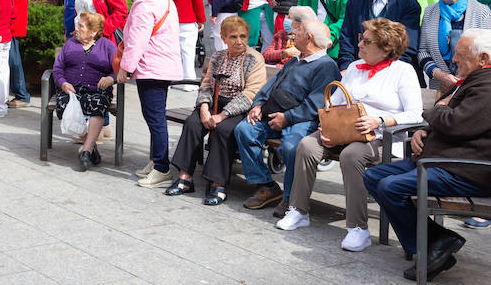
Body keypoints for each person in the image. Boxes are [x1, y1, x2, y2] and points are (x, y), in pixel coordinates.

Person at [364, 29, 491, 281]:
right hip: (447, 160)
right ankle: (438, 242)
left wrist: (435, 110)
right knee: (374, 176)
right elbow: (459, 122)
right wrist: (424, 131)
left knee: (390, 187)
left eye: (460, 55)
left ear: (483, 58)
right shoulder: (483, 79)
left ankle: (430, 247)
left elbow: (452, 121)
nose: (453, 59)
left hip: (465, 172)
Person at [278, 18, 424, 249]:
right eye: (360, 39)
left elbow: (416, 114)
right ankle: (298, 210)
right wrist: (325, 125)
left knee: (351, 156)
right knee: (307, 145)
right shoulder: (356, 67)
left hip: (380, 137)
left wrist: (380, 120)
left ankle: (358, 228)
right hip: (343, 131)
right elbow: (335, 101)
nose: (360, 44)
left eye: (367, 41)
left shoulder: (403, 71)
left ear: (386, 48)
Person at [234, 17, 337, 212]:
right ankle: (266, 185)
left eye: (297, 32)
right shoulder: (296, 60)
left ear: (308, 38)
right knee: (244, 130)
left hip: (302, 121)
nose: (292, 34)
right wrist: (258, 104)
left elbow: (315, 105)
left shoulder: (326, 66)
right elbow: (271, 86)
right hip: (274, 113)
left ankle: (290, 198)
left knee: (291, 147)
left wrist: (287, 118)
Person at [164, 16, 267, 205]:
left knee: (224, 129)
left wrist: (222, 115)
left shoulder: (254, 59)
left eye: (243, 36)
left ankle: (218, 184)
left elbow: (251, 94)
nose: (239, 41)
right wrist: (204, 108)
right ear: (223, 37)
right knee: (193, 123)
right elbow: (205, 86)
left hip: (240, 108)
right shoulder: (218, 56)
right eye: (233, 37)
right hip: (214, 102)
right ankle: (185, 177)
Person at [118, 0, 181, 188]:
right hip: (162, 65)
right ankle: (156, 161)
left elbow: (136, 41)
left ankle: (162, 167)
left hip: (151, 66)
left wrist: (126, 68)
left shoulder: (144, 3)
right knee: (155, 116)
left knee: (154, 118)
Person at [418, 0, 491, 92]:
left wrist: (461, 79)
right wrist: (440, 75)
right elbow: (422, 51)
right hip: (440, 86)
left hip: (474, 87)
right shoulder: (429, 12)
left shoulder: (481, 12)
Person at [54, 11, 118, 171]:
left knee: (98, 103)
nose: (77, 29)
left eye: (81, 26)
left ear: (93, 31)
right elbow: (58, 69)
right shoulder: (70, 44)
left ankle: (86, 151)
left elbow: (119, 70)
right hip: (72, 90)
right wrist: (63, 83)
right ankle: (90, 146)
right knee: (62, 105)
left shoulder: (108, 46)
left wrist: (111, 78)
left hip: (97, 89)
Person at [336, 0, 422, 68]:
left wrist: (383, 71)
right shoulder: (355, 2)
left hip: (394, 70)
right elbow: (346, 40)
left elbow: (408, 46)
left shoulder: (407, 3)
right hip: (358, 69)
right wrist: (347, 67)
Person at [1, 0, 31, 108]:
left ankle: (21, 94)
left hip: (11, 24)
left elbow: (7, 0)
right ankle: (18, 93)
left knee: (13, 59)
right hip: (13, 23)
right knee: (12, 58)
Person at [168, 0, 205, 81]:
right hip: (187, 20)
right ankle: (188, 82)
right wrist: (201, 20)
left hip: (167, 22)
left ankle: (173, 80)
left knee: (172, 53)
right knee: (188, 53)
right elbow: (197, 0)